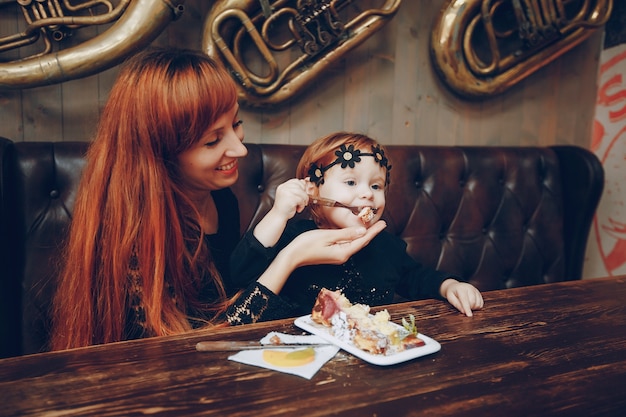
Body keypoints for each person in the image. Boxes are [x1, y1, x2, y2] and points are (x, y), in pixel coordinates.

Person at [49, 50, 385, 351]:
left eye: (236, 124)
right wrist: (290, 258)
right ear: (159, 153)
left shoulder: (221, 198)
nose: (240, 149)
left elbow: (232, 300)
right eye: (212, 140)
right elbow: (197, 349)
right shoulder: (132, 235)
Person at [230, 132, 484, 318]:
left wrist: (450, 285)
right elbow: (240, 273)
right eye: (351, 183)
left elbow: (415, 276)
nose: (367, 194)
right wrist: (277, 214)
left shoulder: (384, 245)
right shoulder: (293, 237)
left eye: (376, 185)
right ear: (312, 190)